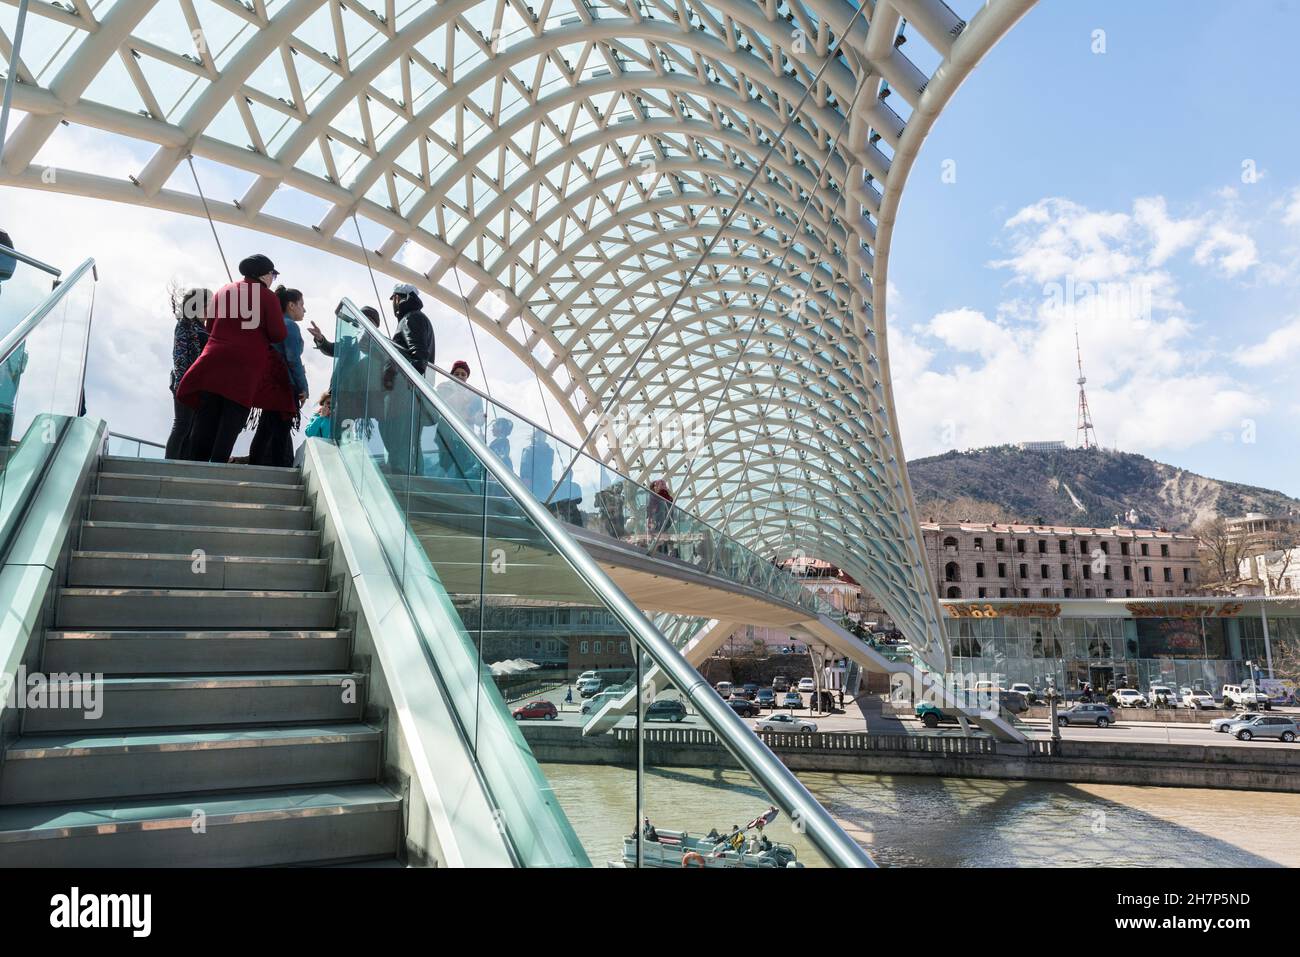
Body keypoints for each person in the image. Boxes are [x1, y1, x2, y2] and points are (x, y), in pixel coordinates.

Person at [177, 254, 293, 463]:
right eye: (273, 275)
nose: (272, 279)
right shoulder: (267, 297)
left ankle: (194, 465)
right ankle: (217, 467)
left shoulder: (223, 290)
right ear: (264, 274)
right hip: (245, 367)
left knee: (206, 416)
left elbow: (210, 326)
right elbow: (278, 334)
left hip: (213, 360)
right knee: (232, 419)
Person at [248, 285, 308, 467]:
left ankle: (255, 465)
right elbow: (293, 359)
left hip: (268, 384)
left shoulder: (272, 324)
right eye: (301, 304)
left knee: (265, 429)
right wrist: (303, 386)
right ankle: (279, 471)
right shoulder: (290, 326)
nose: (304, 309)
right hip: (283, 386)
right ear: (291, 305)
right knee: (281, 431)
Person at [164, 287, 213, 459]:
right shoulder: (185, 324)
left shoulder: (205, 328)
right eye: (209, 304)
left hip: (200, 385)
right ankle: (169, 464)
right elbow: (179, 354)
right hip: (185, 381)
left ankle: (183, 462)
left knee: (193, 428)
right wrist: (182, 381)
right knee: (182, 424)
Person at [435, 359, 484, 480]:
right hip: (446, 433)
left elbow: (481, 421)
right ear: (451, 374)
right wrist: (458, 396)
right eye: (456, 374)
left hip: (464, 437)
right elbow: (438, 406)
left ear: (467, 376)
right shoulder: (444, 387)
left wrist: (475, 418)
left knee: (462, 468)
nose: (460, 377)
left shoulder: (474, 395)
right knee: (444, 464)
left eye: (463, 374)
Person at [519, 428, 555, 501]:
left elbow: (549, 469)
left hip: (546, 487)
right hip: (535, 487)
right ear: (536, 436)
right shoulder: (529, 450)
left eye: (544, 434)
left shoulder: (550, 452)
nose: (543, 436)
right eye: (541, 434)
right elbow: (525, 472)